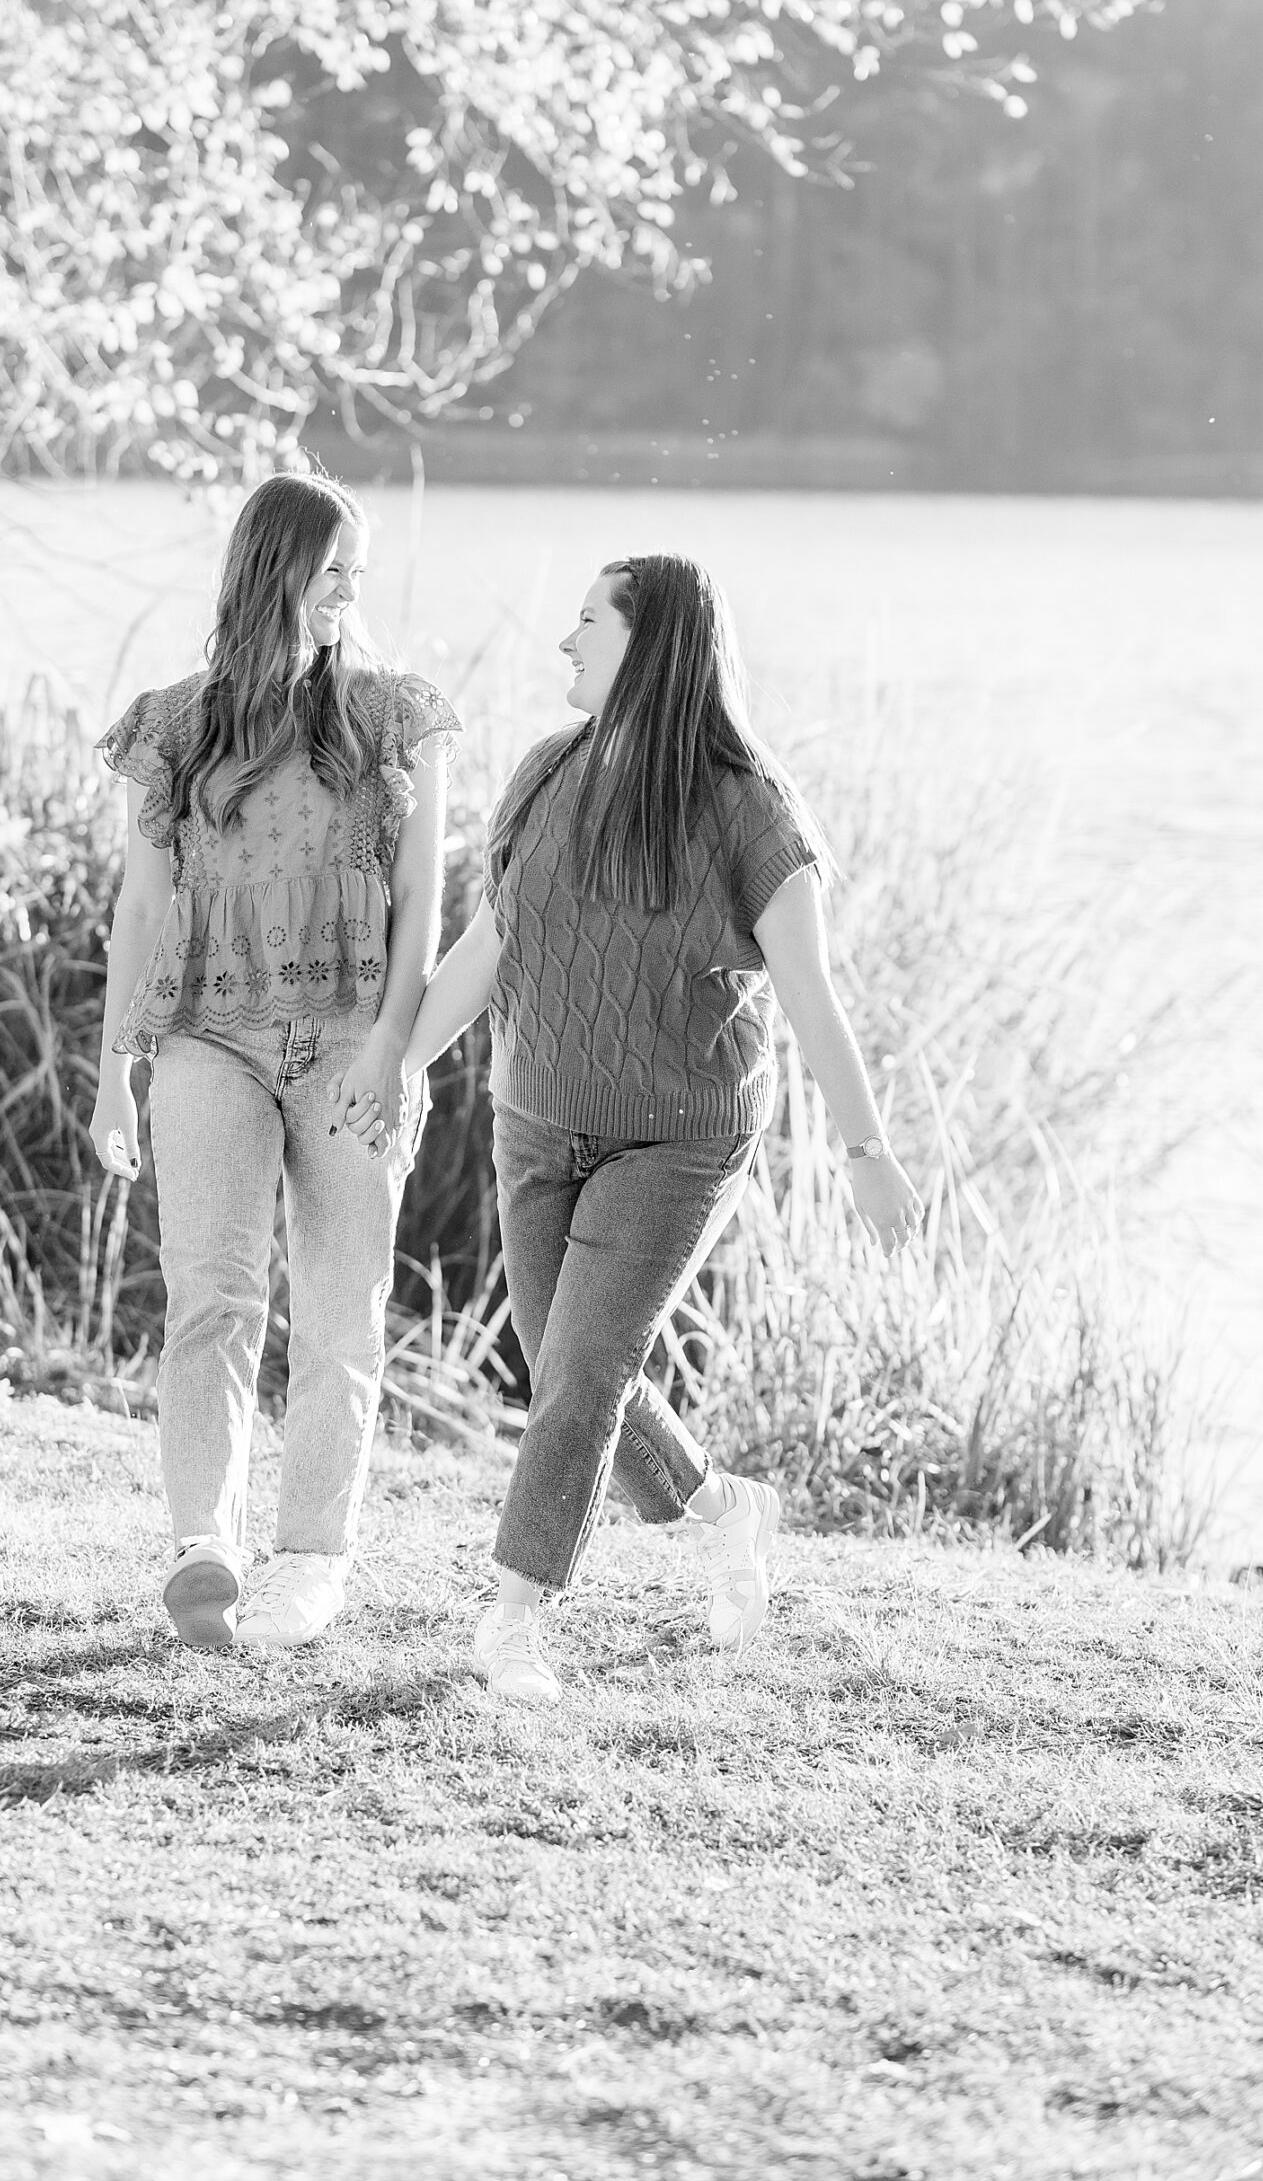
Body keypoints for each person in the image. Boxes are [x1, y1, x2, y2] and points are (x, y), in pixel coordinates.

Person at [351, 553, 921, 1705]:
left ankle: (514, 1616)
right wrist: (398, 1064)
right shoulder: (545, 773)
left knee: (584, 1371)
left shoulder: (746, 804)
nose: (565, 642)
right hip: (536, 1125)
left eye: (588, 621)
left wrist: (867, 1154)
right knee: (573, 1366)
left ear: (650, 643)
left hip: (679, 1137)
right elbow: (487, 951)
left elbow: (810, 993)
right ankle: (728, 1508)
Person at [88, 467, 459, 1652]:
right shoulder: (178, 724)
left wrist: (397, 1048)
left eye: (362, 568)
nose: (353, 587)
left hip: (353, 1036)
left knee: (342, 1314)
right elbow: (142, 910)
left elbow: (424, 896)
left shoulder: (392, 713)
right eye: (334, 565)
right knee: (212, 1298)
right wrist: (115, 1069)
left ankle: (311, 1561)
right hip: (208, 1035)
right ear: (275, 569)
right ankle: (206, 1547)